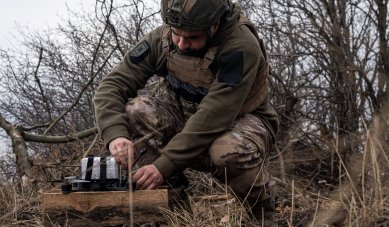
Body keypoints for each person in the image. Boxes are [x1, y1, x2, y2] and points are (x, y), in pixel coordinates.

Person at [92, 0, 278, 223]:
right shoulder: (161, 40)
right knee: (136, 111)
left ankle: (261, 215)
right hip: (186, 119)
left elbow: (214, 115)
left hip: (241, 124)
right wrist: (116, 135)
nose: (180, 44)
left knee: (227, 150)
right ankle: (174, 213)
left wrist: (163, 165)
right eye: (176, 34)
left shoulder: (240, 46)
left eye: (192, 38)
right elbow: (112, 85)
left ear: (214, 25)